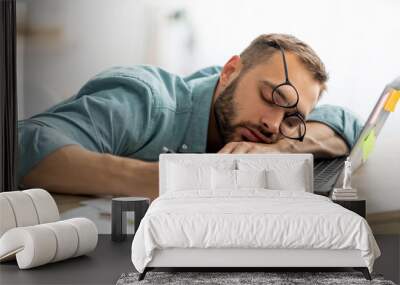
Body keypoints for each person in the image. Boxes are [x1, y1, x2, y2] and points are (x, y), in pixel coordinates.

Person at [18, 33, 363, 200]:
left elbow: (347, 122)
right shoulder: (147, 101)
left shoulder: (271, 135)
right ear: (229, 71)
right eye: (272, 97)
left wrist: (280, 150)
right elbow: (23, 143)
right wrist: (183, 178)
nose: (273, 125)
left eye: (291, 117)